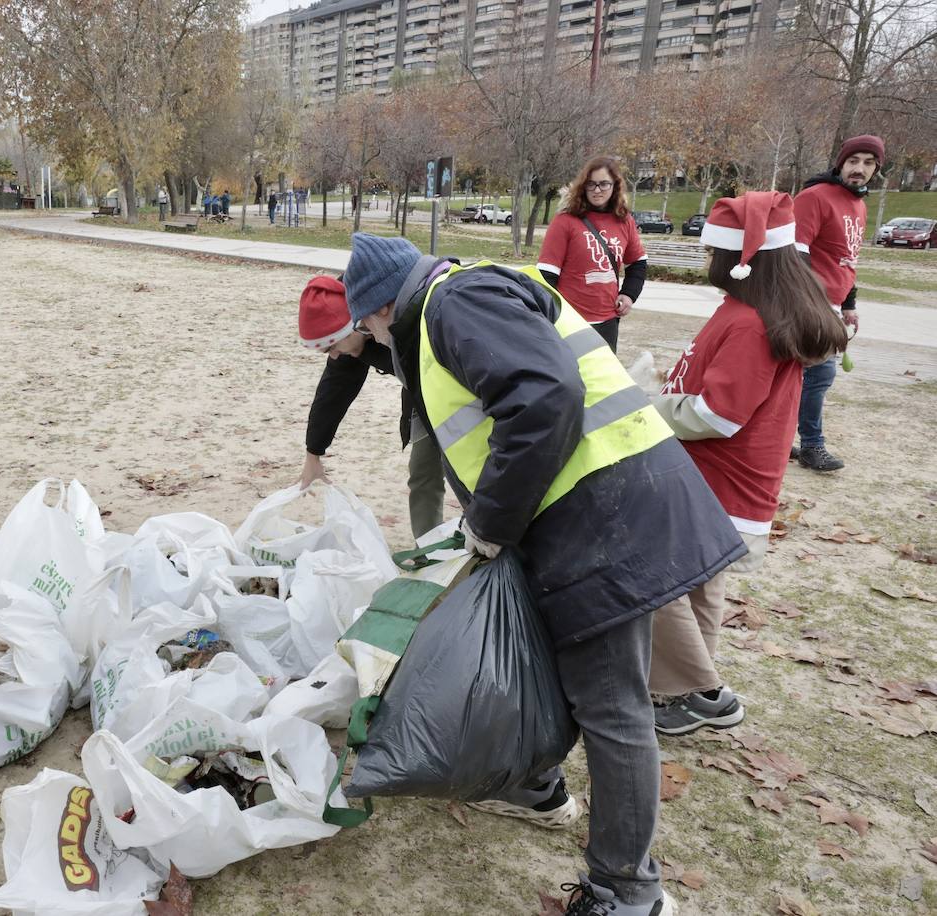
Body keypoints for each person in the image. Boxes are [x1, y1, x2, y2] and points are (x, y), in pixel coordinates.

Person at [342, 232, 744, 916]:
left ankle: (628, 891)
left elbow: (545, 398)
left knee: (614, 704)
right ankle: (537, 786)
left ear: (382, 307)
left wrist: (491, 525)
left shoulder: (453, 304)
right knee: (557, 667)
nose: (373, 339)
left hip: (603, 516)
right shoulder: (460, 295)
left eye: (368, 325)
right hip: (595, 510)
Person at [649, 192, 848, 735]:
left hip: (716, 484)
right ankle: (679, 697)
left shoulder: (751, 323)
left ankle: (702, 691)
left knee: (655, 579)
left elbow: (718, 414)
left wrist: (649, 406)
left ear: (742, 259)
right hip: (719, 485)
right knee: (697, 589)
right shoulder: (751, 314)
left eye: (713, 251)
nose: (708, 261)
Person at [296, 275, 445, 540]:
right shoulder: (350, 339)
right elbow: (333, 391)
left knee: (477, 470)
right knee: (423, 471)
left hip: (459, 380)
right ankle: (430, 553)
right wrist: (313, 453)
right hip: (422, 394)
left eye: (332, 347)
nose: (333, 355)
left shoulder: (399, 310)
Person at [790, 134, 884, 472]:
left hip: (830, 304)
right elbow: (794, 253)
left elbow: (847, 259)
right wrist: (813, 306)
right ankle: (812, 446)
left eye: (868, 163)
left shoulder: (858, 203)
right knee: (819, 374)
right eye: (853, 161)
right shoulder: (814, 197)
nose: (859, 169)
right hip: (806, 303)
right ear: (841, 162)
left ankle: (783, 438)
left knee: (793, 374)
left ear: (877, 168)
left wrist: (848, 304)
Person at [537, 156, 648, 352]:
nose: (597, 190)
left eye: (604, 184)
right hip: (570, 323)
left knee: (603, 381)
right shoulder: (565, 221)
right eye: (591, 184)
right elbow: (546, 276)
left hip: (608, 322)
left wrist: (629, 294)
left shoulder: (624, 221)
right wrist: (552, 319)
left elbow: (638, 263)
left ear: (615, 185)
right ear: (583, 186)